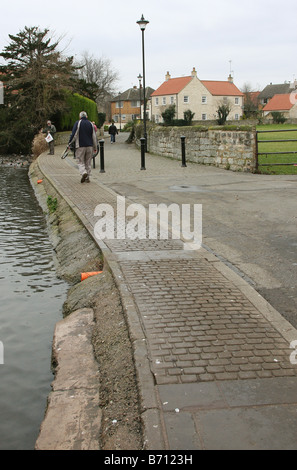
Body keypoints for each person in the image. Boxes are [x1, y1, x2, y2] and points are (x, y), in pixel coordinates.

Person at [68, 111, 97, 183]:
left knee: (80, 161)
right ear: (86, 116)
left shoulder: (78, 123)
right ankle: (87, 177)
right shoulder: (91, 124)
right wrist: (95, 147)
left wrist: (69, 143)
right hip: (90, 146)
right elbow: (94, 136)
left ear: (80, 117)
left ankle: (83, 172)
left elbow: (74, 135)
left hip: (80, 145)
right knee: (88, 162)